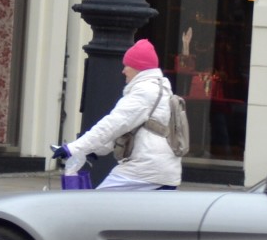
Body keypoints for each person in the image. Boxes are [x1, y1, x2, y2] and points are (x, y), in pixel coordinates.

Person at [53, 39, 180, 191]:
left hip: (144, 171)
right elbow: (130, 129)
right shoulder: (159, 89)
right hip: (163, 171)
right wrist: (93, 150)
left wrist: (74, 148)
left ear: (138, 67)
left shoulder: (145, 92)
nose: (123, 70)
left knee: (97, 207)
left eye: (127, 65)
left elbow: (112, 125)